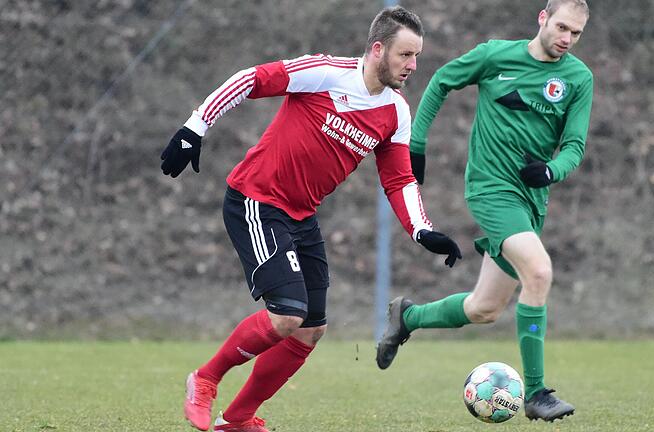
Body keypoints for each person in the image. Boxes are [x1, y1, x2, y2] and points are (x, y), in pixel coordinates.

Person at [161, 6, 462, 432]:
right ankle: (206, 378)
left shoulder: (396, 112)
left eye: (416, 57)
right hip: (256, 200)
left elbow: (399, 179)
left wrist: (422, 229)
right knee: (287, 315)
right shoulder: (325, 73)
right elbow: (250, 79)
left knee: (310, 330)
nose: (413, 66)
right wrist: (195, 127)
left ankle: (239, 418)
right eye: (405, 55)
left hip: (301, 216)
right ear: (378, 50)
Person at [375, 0, 593, 423]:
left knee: (484, 308)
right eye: (562, 27)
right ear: (542, 19)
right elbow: (440, 81)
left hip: (531, 202)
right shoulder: (496, 55)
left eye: (577, 33)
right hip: (491, 190)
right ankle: (536, 394)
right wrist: (415, 145)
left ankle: (408, 317)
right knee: (540, 272)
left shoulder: (578, 78)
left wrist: (551, 170)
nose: (567, 39)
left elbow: (574, 147)